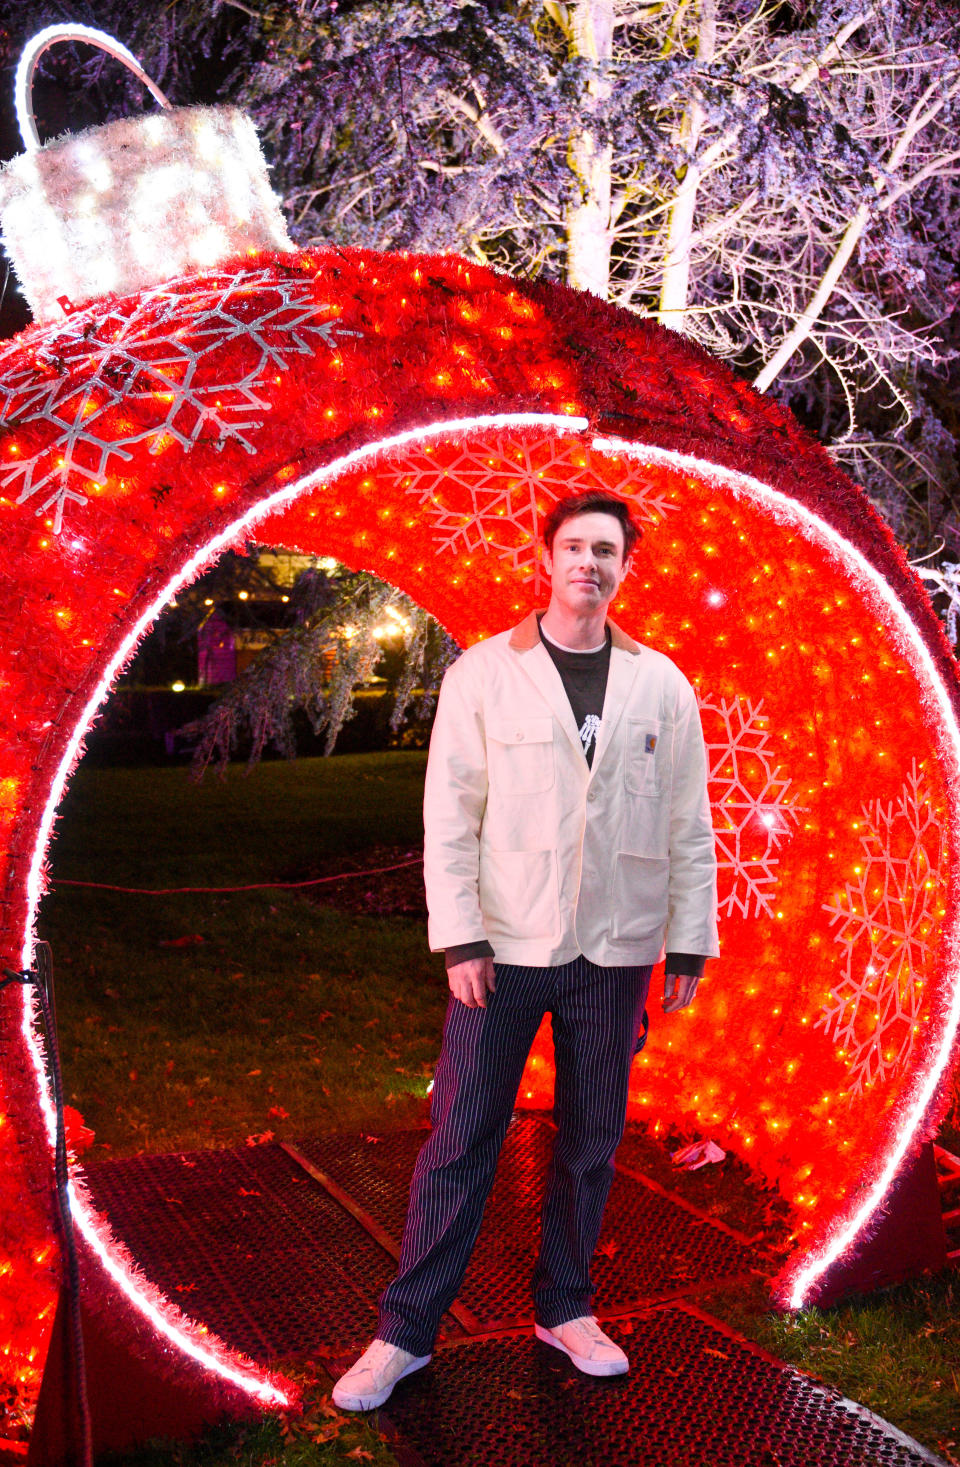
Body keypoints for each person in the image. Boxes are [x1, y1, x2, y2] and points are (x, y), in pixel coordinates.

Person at [333, 489, 719, 1411]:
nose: (590, 563)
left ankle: (565, 1308)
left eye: (608, 550)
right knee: (462, 1136)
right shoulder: (482, 675)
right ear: (546, 560)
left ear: (627, 568)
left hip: (616, 948)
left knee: (591, 1137)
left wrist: (689, 946)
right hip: (502, 946)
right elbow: (450, 813)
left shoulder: (661, 682)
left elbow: (689, 823)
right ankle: (405, 1332)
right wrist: (459, 934)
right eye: (575, 547)